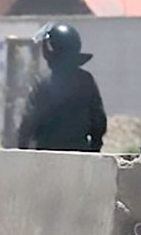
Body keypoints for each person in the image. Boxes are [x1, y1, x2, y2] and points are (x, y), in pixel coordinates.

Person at [16, 22, 107, 152]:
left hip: (47, 155)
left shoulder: (42, 82)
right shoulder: (86, 80)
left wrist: (23, 149)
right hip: (80, 152)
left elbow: (28, 122)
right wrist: (94, 148)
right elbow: (98, 120)